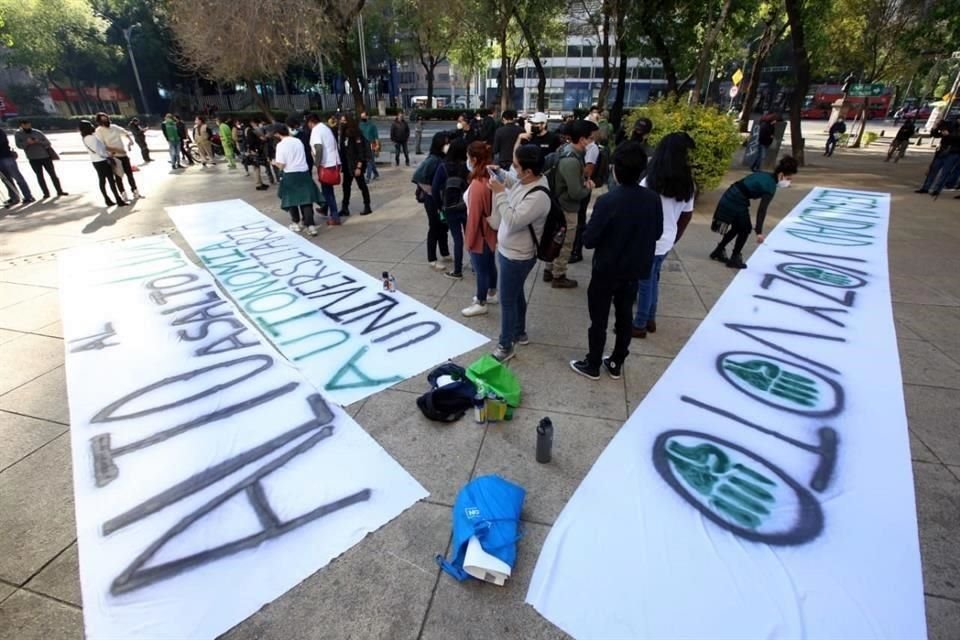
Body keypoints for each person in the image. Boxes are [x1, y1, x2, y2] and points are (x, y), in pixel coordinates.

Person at [570, 141, 663, 380]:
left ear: (615, 170)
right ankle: (616, 361)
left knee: (599, 318)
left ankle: (592, 363)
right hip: (634, 269)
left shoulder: (608, 201)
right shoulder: (652, 199)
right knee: (624, 317)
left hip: (606, 269)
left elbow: (589, 240)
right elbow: (658, 231)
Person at [487, 144, 551, 363]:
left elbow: (513, 221)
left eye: (515, 166)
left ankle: (505, 345)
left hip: (517, 255)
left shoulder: (539, 197)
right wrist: (502, 175)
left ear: (529, 171)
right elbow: (517, 186)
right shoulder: (528, 181)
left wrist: (498, 194)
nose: (513, 169)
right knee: (515, 294)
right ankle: (519, 332)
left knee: (507, 300)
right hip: (510, 251)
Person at [633, 133, 696, 339]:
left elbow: (639, 211)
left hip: (648, 239)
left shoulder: (650, 181)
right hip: (667, 239)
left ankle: (640, 323)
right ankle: (650, 318)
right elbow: (686, 215)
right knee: (654, 279)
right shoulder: (688, 183)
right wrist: (674, 236)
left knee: (645, 282)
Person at [710, 156, 799, 269]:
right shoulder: (770, 186)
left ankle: (718, 251)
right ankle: (734, 258)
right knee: (745, 229)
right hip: (736, 200)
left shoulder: (766, 175)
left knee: (737, 227)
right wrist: (759, 232)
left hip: (732, 194)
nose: (789, 182)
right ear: (781, 175)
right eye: (789, 178)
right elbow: (762, 210)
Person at [543, 120, 595, 289]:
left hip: (558, 203)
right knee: (565, 243)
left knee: (554, 237)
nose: (592, 142)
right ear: (582, 139)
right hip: (567, 207)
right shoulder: (572, 160)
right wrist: (588, 188)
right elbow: (576, 193)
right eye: (590, 138)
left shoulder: (565, 151)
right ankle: (559, 275)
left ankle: (549, 269)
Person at [461, 141, 498, 317]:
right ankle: (492, 293)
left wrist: (468, 240)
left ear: (474, 159)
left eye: (468, 157)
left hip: (480, 233)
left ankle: (481, 301)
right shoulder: (490, 177)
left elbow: (474, 217)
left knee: (481, 269)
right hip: (490, 231)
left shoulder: (477, 184)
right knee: (490, 264)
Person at [273, 124, 322, 236]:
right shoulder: (298, 141)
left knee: (292, 200)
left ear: (277, 134)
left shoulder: (280, 145)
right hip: (303, 173)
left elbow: (281, 165)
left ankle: (296, 222)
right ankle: (311, 226)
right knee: (306, 200)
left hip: (290, 174)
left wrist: (274, 162)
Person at [432, 139, 471, 279]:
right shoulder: (468, 167)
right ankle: (475, 265)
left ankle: (457, 270)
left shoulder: (443, 167)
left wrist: (439, 206)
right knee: (470, 236)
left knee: (457, 238)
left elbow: (435, 188)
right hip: (467, 206)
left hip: (450, 207)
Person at [415, 132, 451, 269]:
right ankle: (432, 258)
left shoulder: (442, 158)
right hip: (432, 199)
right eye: (446, 143)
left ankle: (444, 252)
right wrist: (431, 192)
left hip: (441, 198)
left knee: (443, 226)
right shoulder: (433, 160)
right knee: (434, 227)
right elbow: (418, 177)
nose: (448, 145)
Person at [570, 120, 601, 264]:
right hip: (580, 185)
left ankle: (576, 251)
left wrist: (574, 171)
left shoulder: (591, 148)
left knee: (579, 220)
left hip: (583, 186)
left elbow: (589, 169)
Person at [79, 120, 126, 208]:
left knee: (103, 181)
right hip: (102, 161)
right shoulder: (90, 138)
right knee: (111, 181)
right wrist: (109, 155)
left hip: (96, 161)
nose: (92, 126)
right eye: (90, 125)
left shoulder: (86, 137)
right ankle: (117, 199)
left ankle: (108, 199)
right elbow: (99, 150)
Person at [14, 120, 67, 198]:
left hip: (45, 156)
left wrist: (38, 141)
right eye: (25, 125)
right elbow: (19, 145)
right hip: (33, 158)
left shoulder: (37, 132)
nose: (27, 126)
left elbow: (47, 143)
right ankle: (46, 193)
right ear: (22, 125)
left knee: (53, 174)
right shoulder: (18, 134)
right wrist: (27, 143)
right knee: (40, 176)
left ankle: (59, 191)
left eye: (28, 124)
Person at [306, 112, 342, 225]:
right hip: (333, 161)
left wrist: (317, 163)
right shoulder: (325, 128)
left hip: (326, 164)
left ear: (311, 122)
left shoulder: (316, 131)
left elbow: (319, 148)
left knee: (328, 191)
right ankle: (324, 207)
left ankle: (334, 216)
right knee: (326, 189)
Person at [94, 113, 139, 199]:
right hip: (114, 155)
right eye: (103, 119)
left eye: (106, 118)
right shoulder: (99, 131)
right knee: (118, 176)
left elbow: (125, 132)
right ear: (99, 121)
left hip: (123, 154)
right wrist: (116, 150)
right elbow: (102, 146)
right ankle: (123, 193)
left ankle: (135, 190)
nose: (105, 121)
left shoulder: (114, 127)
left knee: (129, 174)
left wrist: (130, 141)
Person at [915, 120, 960, 198]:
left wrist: (948, 134)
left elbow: (957, 138)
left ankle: (937, 190)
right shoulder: (950, 125)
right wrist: (935, 128)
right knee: (933, 170)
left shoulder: (955, 129)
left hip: (953, 153)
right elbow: (935, 135)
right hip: (942, 151)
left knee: (944, 173)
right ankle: (926, 188)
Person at [340, 117, 373, 216]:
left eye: (344, 120)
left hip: (356, 165)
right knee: (346, 186)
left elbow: (361, 152)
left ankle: (367, 206)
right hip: (347, 165)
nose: (342, 122)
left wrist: (359, 166)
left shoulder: (356, 135)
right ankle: (344, 207)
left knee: (362, 185)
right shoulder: (344, 135)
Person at [0, 129, 34, 205]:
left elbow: (1, 142)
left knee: (17, 177)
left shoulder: (0, 132)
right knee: (6, 180)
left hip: (6, 158)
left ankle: (28, 196)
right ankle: (14, 197)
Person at [243, 119, 270, 191]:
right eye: (256, 123)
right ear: (251, 123)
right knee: (256, 168)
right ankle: (258, 184)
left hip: (253, 150)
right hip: (254, 151)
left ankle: (260, 183)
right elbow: (250, 141)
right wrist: (253, 150)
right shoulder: (250, 131)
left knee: (257, 168)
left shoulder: (248, 130)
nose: (257, 125)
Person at [359, 112, 381, 181]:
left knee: (369, 160)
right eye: (361, 117)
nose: (362, 118)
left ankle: (368, 177)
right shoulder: (360, 125)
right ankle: (376, 174)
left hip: (371, 144)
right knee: (371, 161)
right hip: (363, 145)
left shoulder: (372, 125)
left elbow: (376, 136)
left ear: (367, 116)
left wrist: (377, 145)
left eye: (364, 116)